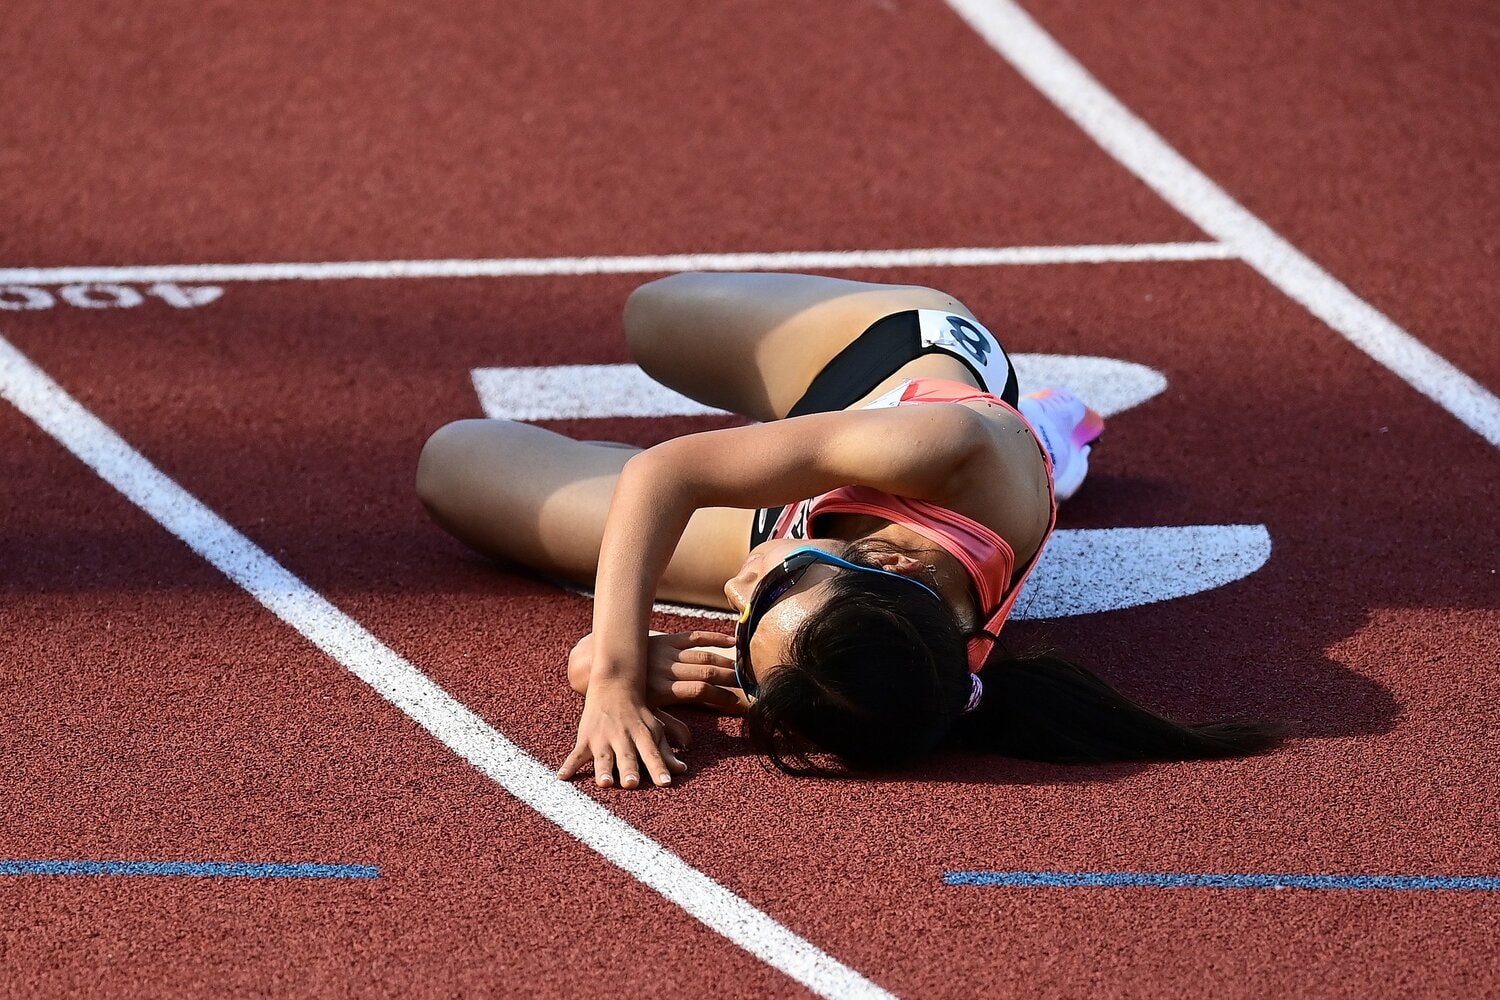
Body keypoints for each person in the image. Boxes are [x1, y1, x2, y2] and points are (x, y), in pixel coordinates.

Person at [415, 272, 1283, 789]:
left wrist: (647, 664)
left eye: (746, 623)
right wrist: (611, 675)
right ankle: (1049, 431)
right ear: (889, 557)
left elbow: (744, 652)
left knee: (453, 466)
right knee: (650, 317)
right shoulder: (941, 450)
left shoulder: (858, 675)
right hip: (880, 372)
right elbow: (666, 473)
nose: (734, 594)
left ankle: (792, 487)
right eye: (775, 591)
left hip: (799, 521)